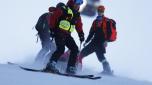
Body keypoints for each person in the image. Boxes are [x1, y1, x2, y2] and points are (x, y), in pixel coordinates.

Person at [44, 2, 84, 74]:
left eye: (80, 4)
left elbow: (79, 25)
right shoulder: (64, 9)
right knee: (61, 49)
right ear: (73, 2)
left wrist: (81, 34)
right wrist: (52, 29)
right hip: (58, 32)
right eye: (77, 3)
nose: (78, 5)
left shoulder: (77, 14)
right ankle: (51, 64)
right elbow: (53, 17)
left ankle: (70, 68)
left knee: (74, 49)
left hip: (67, 35)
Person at [80, 5, 117, 75]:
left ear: (103, 11)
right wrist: (86, 41)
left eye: (101, 11)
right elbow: (91, 33)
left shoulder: (107, 21)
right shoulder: (95, 21)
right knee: (82, 53)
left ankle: (107, 70)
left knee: (101, 57)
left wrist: (106, 41)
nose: (100, 12)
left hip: (101, 42)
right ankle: (77, 65)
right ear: (97, 11)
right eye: (99, 11)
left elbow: (109, 32)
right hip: (94, 41)